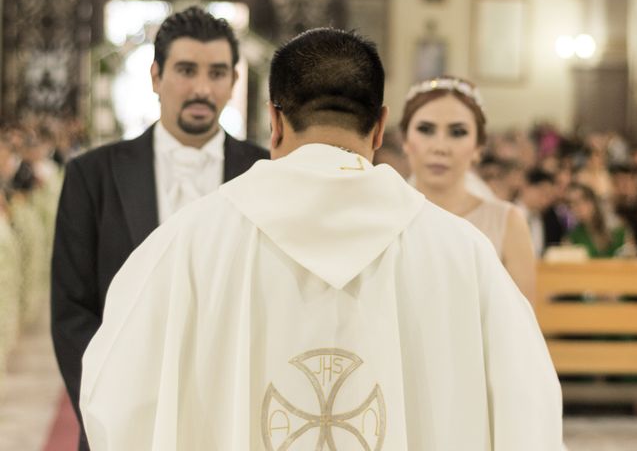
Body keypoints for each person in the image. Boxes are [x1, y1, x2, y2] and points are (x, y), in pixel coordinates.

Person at [80, 28, 562, 450]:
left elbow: (118, 399)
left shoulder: (188, 241)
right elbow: (528, 409)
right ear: (379, 127)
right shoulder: (463, 252)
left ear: (274, 121)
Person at [51, 6, 268, 450]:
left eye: (218, 72)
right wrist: (115, 410)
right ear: (155, 76)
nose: (202, 88)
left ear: (233, 81)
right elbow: (72, 312)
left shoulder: (267, 174)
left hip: (237, 415)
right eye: (186, 70)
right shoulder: (92, 177)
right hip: (123, 417)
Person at [400, 76, 536, 302]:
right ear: (405, 139)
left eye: (457, 132)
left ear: (478, 147)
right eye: (425, 129)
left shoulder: (507, 222)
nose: (440, 147)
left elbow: (524, 327)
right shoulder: (383, 217)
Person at [566, 182, 636, 258]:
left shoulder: (616, 227)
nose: (574, 208)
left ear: (592, 202)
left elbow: (631, 254)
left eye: (579, 202)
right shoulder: (574, 236)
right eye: (570, 204)